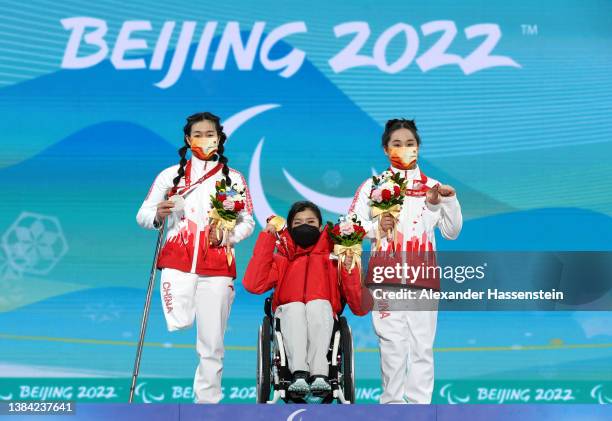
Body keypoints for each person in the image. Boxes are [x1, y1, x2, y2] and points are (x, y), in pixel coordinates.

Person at [136, 112, 255, 403]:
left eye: (210, 133)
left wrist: (229, 236)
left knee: (211, 342)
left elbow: (248, 221)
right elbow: (143, 214)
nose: (205, 139)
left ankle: (207, 404)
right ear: (188, 140)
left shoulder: (234, 179)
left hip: (217, 267)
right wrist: (158, 214)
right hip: (178, 263)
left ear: (220, 138)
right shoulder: (169, 176)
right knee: (180, 322)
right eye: (198, 134)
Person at [349, 119, 462, 404]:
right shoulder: (372, 187)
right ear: (386, 149)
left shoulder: (433, 187)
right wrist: (377, 228)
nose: (404, 149)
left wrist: (448, 201)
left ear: (418, 147)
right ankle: (392, 407)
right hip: (385, 278)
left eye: (410, 144)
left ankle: (421, 408)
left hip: (422, 278)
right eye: (397, 144)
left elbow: (452, 232)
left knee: (421, 347)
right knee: (392, 346)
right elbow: (349, 227)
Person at [243, 201, 370, 398]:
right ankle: (298, 374)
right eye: (298, 222)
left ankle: (320, 374)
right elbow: (253, 284)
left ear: (320, 227)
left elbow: (359, 307)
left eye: (310, 221)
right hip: (287, 315)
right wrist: (268, 237)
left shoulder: (335, 257)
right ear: (290, 228)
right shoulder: (281, 259)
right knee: (295, 308)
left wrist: (349, 268)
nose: (305, 226)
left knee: (317, 305)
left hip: (324, 314)